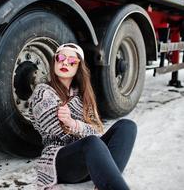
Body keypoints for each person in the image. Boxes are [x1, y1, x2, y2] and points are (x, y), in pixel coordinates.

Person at [28, 43, 137, 190]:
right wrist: (81, 128)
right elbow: (60, 132)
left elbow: (98, 130)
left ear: (78, 67)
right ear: (55, 61)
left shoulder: (83, 96)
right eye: (60, 57)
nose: (65, 62)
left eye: (72, 60)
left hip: (90, 162)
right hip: (62, 162)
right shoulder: (42, 93)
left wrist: (73, 124)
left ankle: (105, 182)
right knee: (91, 142)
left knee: (127, 126)